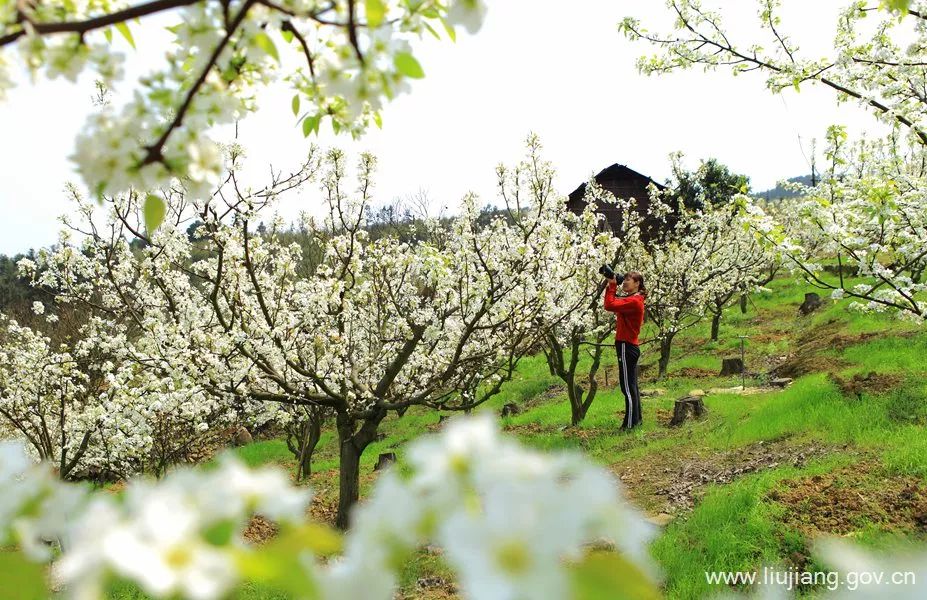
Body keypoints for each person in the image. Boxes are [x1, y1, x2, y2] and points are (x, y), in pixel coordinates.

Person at [603, 271, 646, 430]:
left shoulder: (634, 301)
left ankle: (629, 426)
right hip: (630, 346)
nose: (625, 282)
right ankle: (636, 421)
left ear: (637, 284)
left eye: (629, 279)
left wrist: (612, 285)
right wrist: (611, 284)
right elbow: (615, 302)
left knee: (627, 387)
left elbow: (609, 305)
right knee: (632, 386)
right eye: (625, 279)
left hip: (625, 346)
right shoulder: (635, 299)